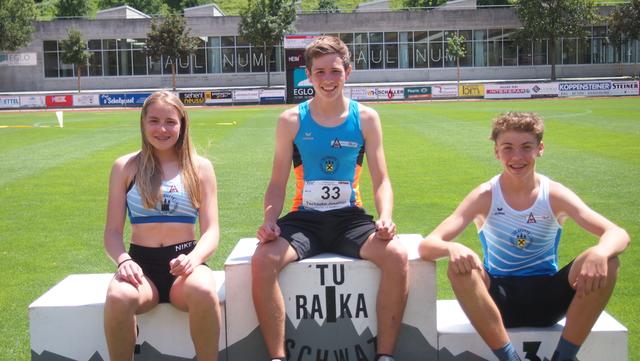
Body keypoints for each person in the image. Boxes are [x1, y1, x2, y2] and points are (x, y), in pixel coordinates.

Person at [419, 112, 629, 361]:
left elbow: (617, 233)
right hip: (499, 299)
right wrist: (451, 248)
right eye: (508, 148)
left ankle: (563, 357)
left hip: (549, 298)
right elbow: (427, 245)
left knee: (609, 261)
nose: (517, 157)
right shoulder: (485, 196)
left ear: (540, 149)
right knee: (460, 269)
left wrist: (600, 251)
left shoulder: (553, 195)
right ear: (496, 151)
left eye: (526, 147)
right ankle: (509, 358)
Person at [252, 36, 408, 361]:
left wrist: (386, 216)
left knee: (396, 256)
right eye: (320, 72)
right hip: (303, 220)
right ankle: (278, 356)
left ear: (347, 72)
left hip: (350, 219)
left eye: (335, 71)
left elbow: (382, 180)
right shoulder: (291, 121)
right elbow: (277, 183)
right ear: (308, 75)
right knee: (262, 260)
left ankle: (385, 355)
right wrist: (269, 221)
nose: (327, 80)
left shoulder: (365, 118)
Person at [103, 91, 221, 361]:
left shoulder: (200, 168)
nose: (162, 129)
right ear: (143, 123)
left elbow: (212, 231)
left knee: (204, 290)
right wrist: (123, 261)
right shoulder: (125, 167)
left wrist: (194, 259)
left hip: (186, 265)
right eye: (154, 121)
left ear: (182, 123)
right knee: (118, 297)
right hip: (141, 268)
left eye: (170, 121)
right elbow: (111, 232)